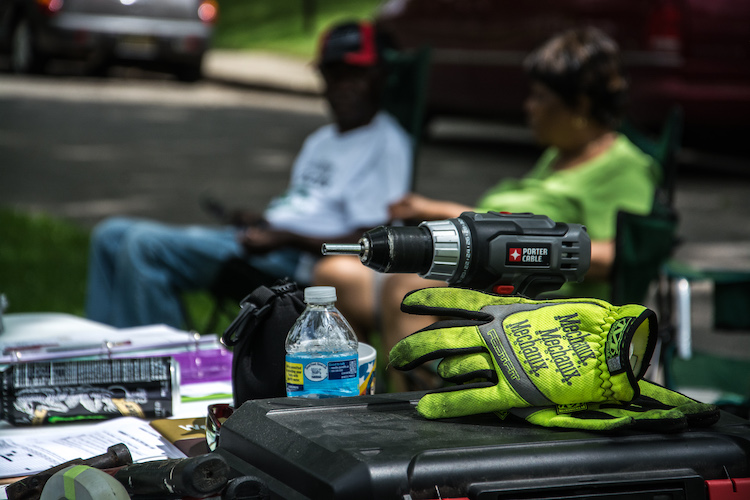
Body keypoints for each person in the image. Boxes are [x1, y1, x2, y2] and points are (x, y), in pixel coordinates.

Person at [313, 27, 660, 389]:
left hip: (540, 307)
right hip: (485, 281)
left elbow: (619, 256)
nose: (529, 107)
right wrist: (435, 210)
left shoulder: (624, 168)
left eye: (540, 97)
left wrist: (511, 251)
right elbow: (509, 222)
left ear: (582, 105)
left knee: (405, 285)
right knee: (337, 274)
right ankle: (358, 395)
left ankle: (412, 406)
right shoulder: (561, 157)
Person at [85, 20, 413, 328]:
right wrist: (264, 223)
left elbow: (372, 241)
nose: (342, 87)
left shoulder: (386, 143)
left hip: (296, 265)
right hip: (267, 244)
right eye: (332, 74)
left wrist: (286, 238)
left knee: (143, 247)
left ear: (379, 77)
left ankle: (162, 367)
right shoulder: (322, 141)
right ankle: (101, 359)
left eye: (354, 75)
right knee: (110, 234)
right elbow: (306, 207)